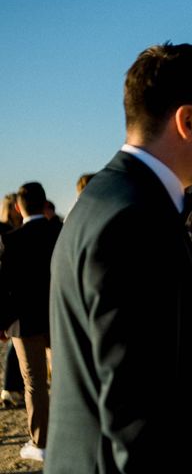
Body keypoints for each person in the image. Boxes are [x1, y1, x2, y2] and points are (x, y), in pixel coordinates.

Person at [46, 43, 192, 473]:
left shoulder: (107, 197)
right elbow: (138, 424)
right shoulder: (134, 221)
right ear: (187, 121)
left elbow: (143, 367)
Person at [0, 182, 61, 461]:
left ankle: (41, 442)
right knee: (62, 377)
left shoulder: (11, 240)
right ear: (44, 202)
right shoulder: (59, 233)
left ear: (17, 207)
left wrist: (2, 323)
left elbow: (5, 287)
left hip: (24, 322)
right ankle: (66, 433)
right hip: (57, 315)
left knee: (34, 382)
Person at [0, 192, 25, 407]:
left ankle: (10, 388)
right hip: (13, 300)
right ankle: (10, 387)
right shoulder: (12, 234)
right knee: (14, 347)